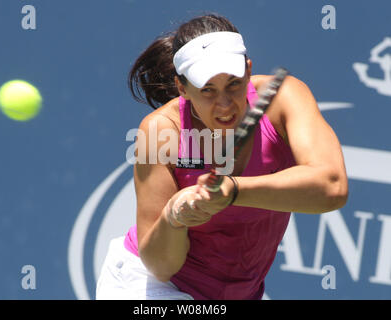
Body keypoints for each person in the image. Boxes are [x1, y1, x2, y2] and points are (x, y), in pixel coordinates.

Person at [96, 13, 348, 300]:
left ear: (248, 70)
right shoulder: (161, 131)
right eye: (207, 90)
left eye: (233, 84)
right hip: (152, 287)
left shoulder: (283, 98)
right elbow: (160, 266)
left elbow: (332, 188)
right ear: (182, 88)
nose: (225, 104)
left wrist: (233, 190)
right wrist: (175, 217)